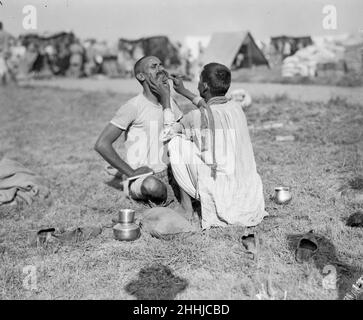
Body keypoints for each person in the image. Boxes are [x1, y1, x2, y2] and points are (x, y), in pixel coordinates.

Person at [147, 62, 268, 229]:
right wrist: (184, 92)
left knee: (176, 142)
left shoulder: (196, 117)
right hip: (245, 192)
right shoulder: (235, 107)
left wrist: (165, 99)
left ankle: (186, 208)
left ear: (203, 86)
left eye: (199, 81)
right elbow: (210, 107)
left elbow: (167, 133)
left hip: (221, 191)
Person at [94, 56, 183, 205]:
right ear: (141, 76)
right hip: (145, 176)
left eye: (161, 65)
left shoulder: (169, 102)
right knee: (152, 186)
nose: (161, 69)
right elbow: (101, 144)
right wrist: (131, 173)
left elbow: (182, 132)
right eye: (154, 66)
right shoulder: (133, 106)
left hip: (171, 172)